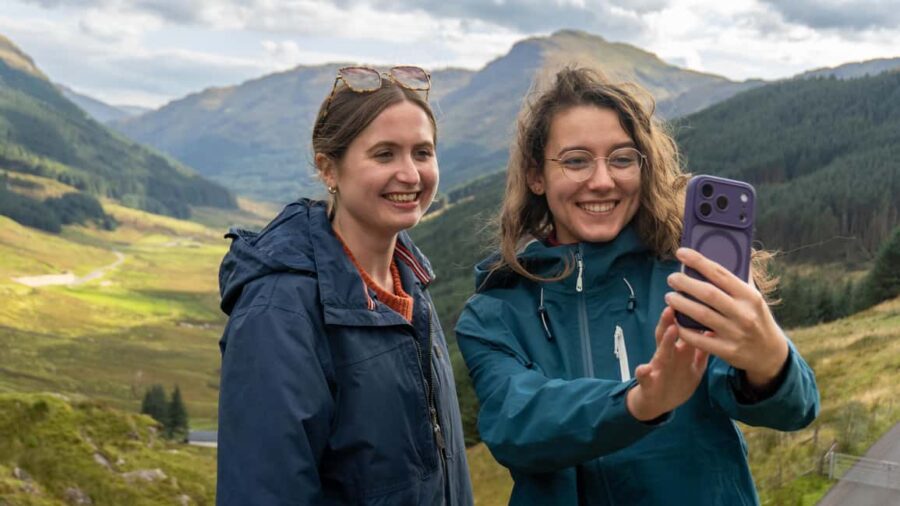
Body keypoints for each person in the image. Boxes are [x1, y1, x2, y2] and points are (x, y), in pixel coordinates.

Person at [455, 68, 819, 505]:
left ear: (644, 167)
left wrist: (770, 361)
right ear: (537, 176)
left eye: (623, 158)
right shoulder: (496, 309)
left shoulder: (685, 275)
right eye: (576, 160)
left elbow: (795, 408)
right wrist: (640, 401)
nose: (603, 180)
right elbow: (515, 423)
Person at [216, 66, 473, 505]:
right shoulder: (281, 310)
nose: (410, 174)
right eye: (385, 154)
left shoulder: (411, 285)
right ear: (328, 169)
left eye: (423, 153)